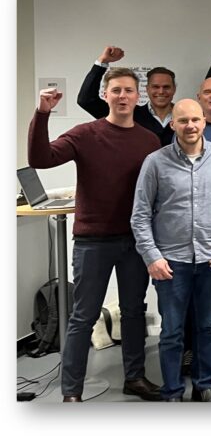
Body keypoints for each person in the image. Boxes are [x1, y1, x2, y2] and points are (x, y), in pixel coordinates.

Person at [29, 70, 162, 403]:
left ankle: (135, 377)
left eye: (128, 90)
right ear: (105, 95)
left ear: (138, 97)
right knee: (83, 316)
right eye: (116, 90)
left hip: (135, 242)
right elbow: (40, 158)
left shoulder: (149, 140)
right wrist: (42, 113)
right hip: (93, 242)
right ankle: (71, 391)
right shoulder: (85, 134)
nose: (122, 96)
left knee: (134, 312)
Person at [131, 99, 211, 402]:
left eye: (195, 119)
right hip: (171, 262)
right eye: (183, 121)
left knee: (207, 328)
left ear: (204, 122)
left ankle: (204, 386)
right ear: (173, 124)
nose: (190, 126)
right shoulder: (155, 162)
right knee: (171, 331)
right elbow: (140, 214)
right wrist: (152, 257)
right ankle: (172, 391)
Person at [77, 45, 176, 145]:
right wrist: (102, 62)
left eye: (166, 87)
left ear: (174, 89)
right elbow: (86, 100)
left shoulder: (184, 115)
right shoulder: (127, 114)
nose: (161, 91)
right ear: (147, 89)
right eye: (155, 87)